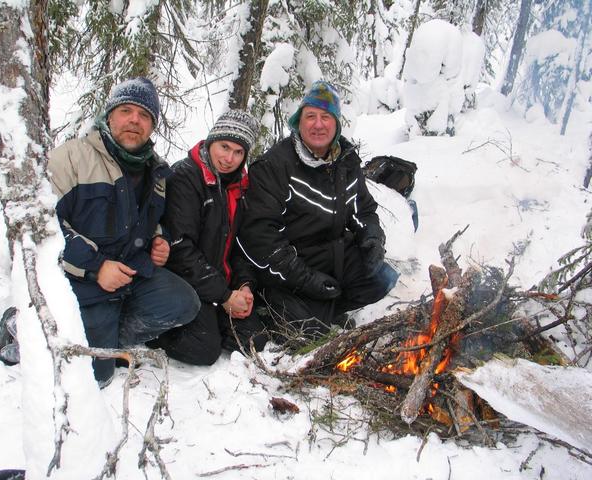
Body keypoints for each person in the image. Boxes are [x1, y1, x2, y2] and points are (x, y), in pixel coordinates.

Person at [48, 77, 200, 386]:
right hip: (81, 282)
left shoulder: (155, 170)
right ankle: (22, 329)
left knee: (185, 302)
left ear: (152, 126)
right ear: (109, 116)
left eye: (145, 115)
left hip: (130, 275)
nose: (135, 120)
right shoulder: (71, 157)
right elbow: (47, 229)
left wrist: (161, 239)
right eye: (126, 110)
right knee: (97, 376)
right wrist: (96, 268)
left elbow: (155, 220)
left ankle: (104, 335)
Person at [237, 80, 399, 338]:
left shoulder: (346, 161)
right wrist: (305, 279)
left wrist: (372, 236)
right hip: (287, 266)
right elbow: (259, 236)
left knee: (382, 278)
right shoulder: (275, 165)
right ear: (298, 122)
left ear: (336, 124)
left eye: (326, 116)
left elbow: (363, 210)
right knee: (308, 332)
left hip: (332, 254)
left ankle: (326, 307)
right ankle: (281, 308)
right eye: (310, 116)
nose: (318, 124)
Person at [148, 110, 268, 364]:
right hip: (185, 281)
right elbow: (180, 250)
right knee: (203, 348)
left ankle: (212, 318)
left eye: (238, 152)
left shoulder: (238, 187)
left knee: (253, 340)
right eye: (224, 147)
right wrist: (224, 297)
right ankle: (153, 335)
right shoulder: (185, 177)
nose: (229, 158)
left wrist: (243, 285)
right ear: (212, 141)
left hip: (215, 281)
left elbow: (238, 245)